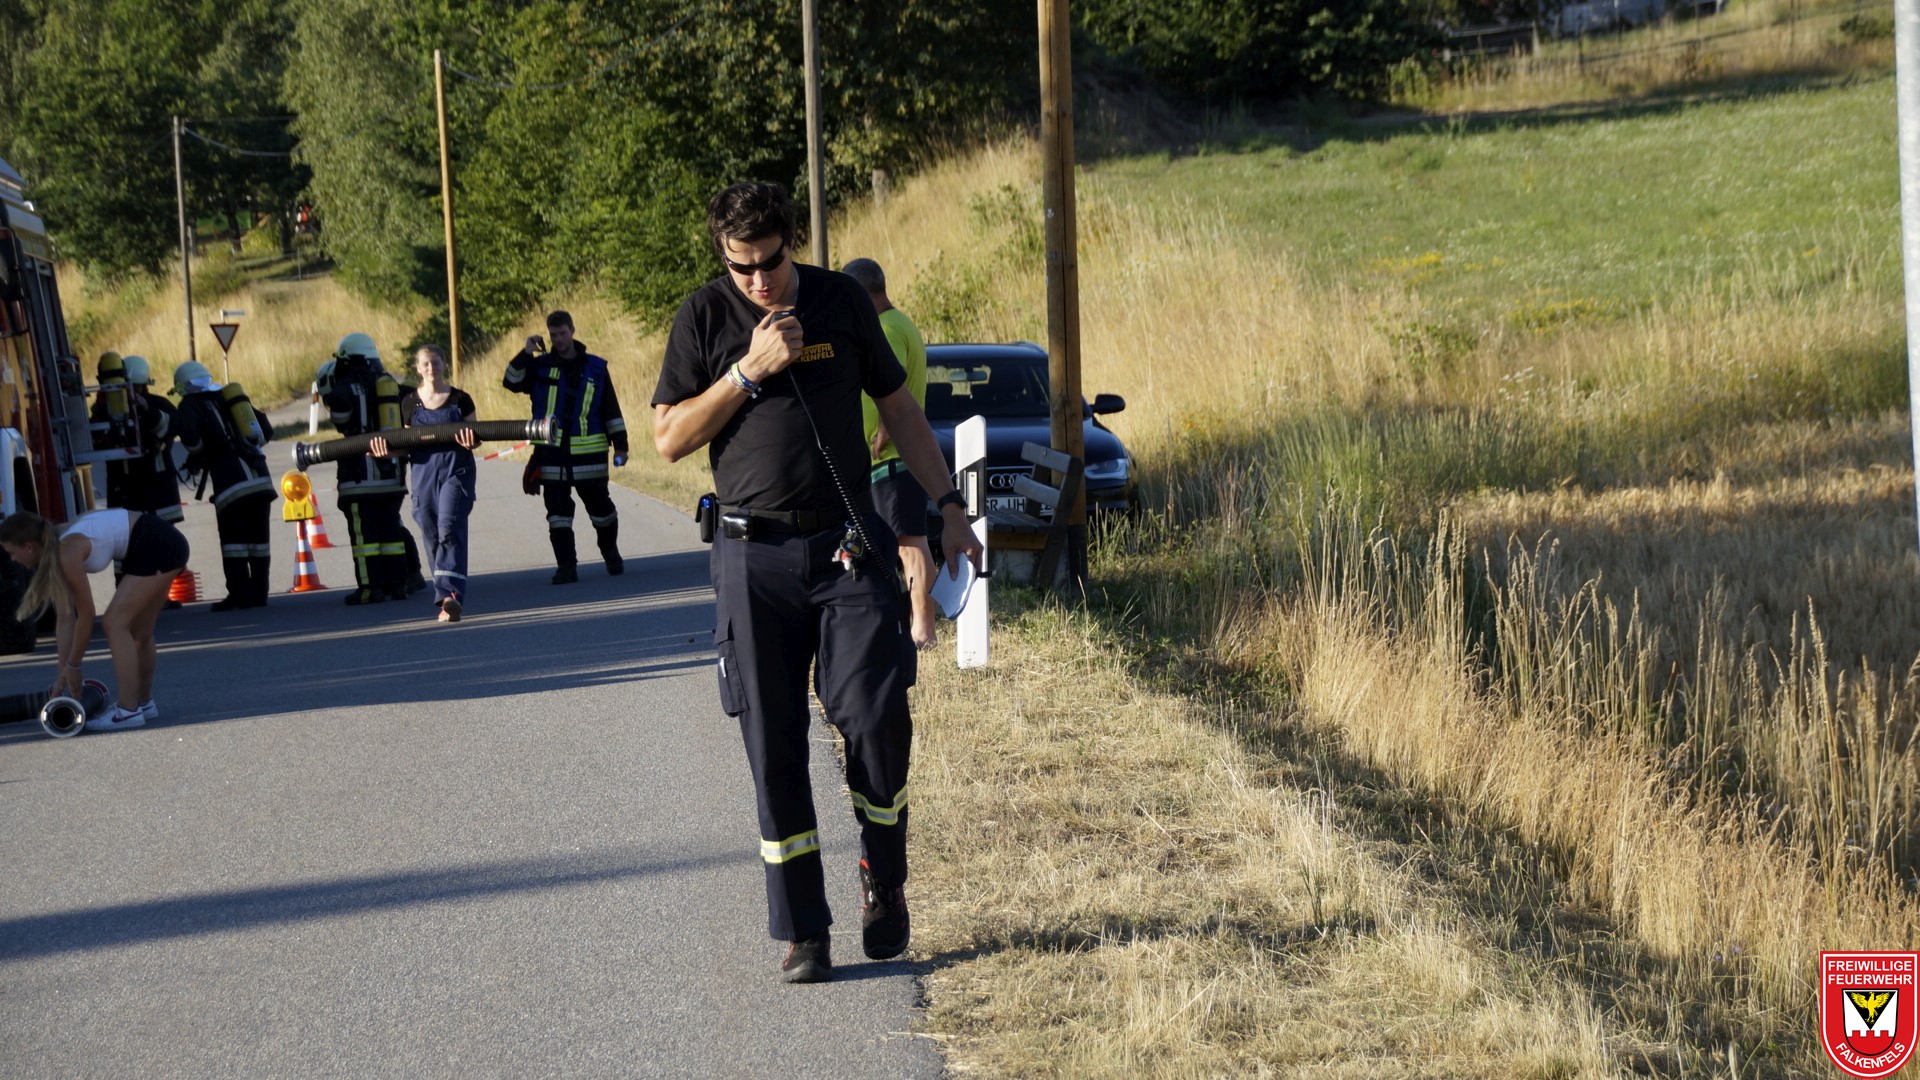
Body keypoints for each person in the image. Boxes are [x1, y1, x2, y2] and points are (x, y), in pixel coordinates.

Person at [651, 181, 981, 984]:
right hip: (750, 558)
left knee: (872, 714)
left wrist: (946, 506)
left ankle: (884, 875)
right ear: (722, 260)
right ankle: (805, 930)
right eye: (742, 268)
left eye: (769, 262)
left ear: (790, 243)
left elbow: (900, 411)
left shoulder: (840, 302)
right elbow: (667, 439)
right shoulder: (703, 318)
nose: (759, 281)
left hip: (844, 549)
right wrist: (748, 371)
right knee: (773, 748)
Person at [0, 507, 190, 730]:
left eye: (12, 553)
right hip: (155, 543)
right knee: (139, 633)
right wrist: (63, 676)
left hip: (157, 543)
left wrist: (75, 664)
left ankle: (128, 710)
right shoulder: (55, 550)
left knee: (114, 623)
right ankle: (143, 703)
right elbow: (65, 618)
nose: (12, 560)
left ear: (29, 547)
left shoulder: (65, 552)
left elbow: (87, 614)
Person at [841, 258, 936, 649]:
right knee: (908, 542)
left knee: (908, 544)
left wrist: (882, 431)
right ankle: (914, 620)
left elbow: (891, 384)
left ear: (863, 294)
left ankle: (923, 627)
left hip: (893, 456)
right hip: (895, 458)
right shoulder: (899, 322)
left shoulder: (885, 327)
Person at [504, 311, 629, 584]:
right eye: (553, 335)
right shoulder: (540, 366)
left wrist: (621, 446)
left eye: (562, 333)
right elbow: (511, 381)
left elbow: (611, 409)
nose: (558, 339)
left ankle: (610, 551)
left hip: (591, 456)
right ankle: (566, 567)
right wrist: (526, 352)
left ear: (572, 330)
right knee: (558, 516)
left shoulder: (596, 368)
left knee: (603, 512)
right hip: (551, 454)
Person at [370, 346, 477, 623]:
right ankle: (445, 595)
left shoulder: (461, 399)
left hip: (457, 470)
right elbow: (406, 447)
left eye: (436, 362)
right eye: (426, 364)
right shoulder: (409, 404)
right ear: (418, 369)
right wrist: (386, 452)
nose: (432, 368)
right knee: (430, 530)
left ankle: (451, 598)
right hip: (424, 474)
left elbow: (477, 436)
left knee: (449, 526)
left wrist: (472, 441)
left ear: (444, 365)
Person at [316, 333, 409, 605]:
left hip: (358, 476)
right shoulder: (389, 384)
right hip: (392, 475)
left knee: (365, 537)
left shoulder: (344, 387)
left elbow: (341, 421)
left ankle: (371, 589)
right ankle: (398, 585)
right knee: (391, 532)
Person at [173, 360, 274, 611]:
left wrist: (200, 456)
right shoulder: (230, 397)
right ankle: (260, 594)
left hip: (232, 486)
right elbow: (266, 431)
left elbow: (193, 442)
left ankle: (239, 595)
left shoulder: (189, 405)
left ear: (183, 387)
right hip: (261, 479)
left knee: (234, 543)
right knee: (259, 542)